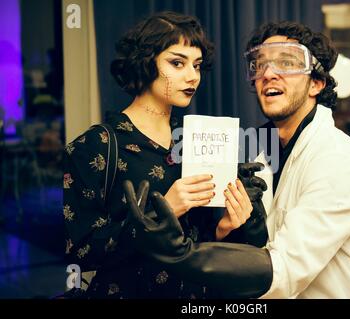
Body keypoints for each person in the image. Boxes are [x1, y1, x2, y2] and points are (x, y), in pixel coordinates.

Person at [123, 21, 350, 299]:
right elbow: (259, 252)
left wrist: (181, 253)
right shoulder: (259, 154)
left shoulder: (339, 160)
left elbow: (284, 269)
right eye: (260, 65)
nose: (269, 73)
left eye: (287, 63)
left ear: (316, 83)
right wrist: (236, 229)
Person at [63, 11, 264, 299]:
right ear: (145, 63)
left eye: (196, 65)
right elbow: (81, 252)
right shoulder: (96, 145)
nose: (192, 75)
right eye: (177, 63)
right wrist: (162, 211)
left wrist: (225, 228)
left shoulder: (194, 140)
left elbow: (198, 245)